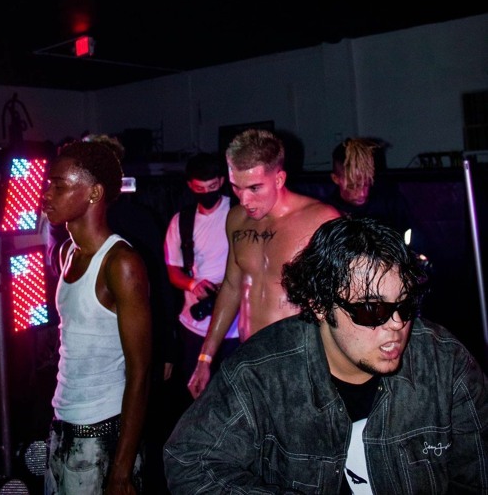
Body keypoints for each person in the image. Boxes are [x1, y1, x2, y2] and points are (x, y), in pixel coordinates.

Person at [164, 216, 488, 494]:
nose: (397, 324)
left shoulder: (445, 363)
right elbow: (189, 459)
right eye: (371, 309)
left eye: (404, 305)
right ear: (320, 306)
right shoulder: (260, 373)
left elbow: (478, 477)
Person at [188, 129, 340, 398]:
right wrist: (205, 358)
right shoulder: (236, 219)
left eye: (254, 188)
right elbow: (232, 287)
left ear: (279, 179)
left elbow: (342, 299)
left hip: (301, 363)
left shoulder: (321, 220)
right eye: (236, 187)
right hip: (250, 361)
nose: (244, 199)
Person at [42, 140, 152, 494]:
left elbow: (140, 373)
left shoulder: (121, 264)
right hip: (63, 423)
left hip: (102, 433)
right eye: (48, 184)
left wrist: (121, 471)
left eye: (59, 186)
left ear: (94, 193)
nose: (47, 194)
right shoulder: (66, 253)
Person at [164, 152, 240, 409]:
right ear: (190, 186)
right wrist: (193, 285)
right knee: (197, 400)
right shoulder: (181, 221)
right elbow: (173, 271)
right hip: (194, 326)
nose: (207, 193)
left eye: (212, 186)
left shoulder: (239, 212)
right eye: (200, 188)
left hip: (234, 329)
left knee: (233, 399)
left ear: (222, 181)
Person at [327, 137, 413, 239]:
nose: (363, 193)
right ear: (335, 179)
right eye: (353, 186)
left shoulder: (390, 201)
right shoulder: (327, 211)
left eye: (367, 183)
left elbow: (410, 235)